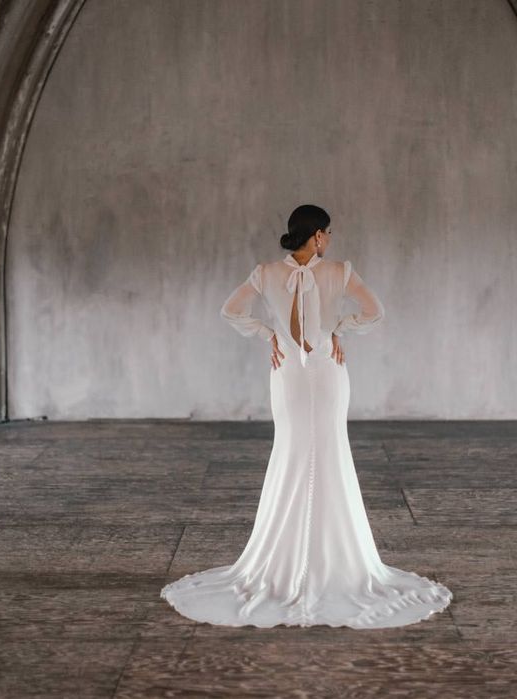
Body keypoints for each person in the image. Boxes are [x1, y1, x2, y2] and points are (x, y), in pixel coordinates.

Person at [160, 204, 453, 628]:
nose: (329, 240)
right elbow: (375, 311)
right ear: (316, 235)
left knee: (295, 452)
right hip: (328, 370)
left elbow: (231, 311)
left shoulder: (265, 272)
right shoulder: (340, 270)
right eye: (327, 233)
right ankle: (335, 564)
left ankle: (283, 564)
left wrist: (270, 336)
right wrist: (339, 330)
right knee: (326, 452)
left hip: (287, 374)